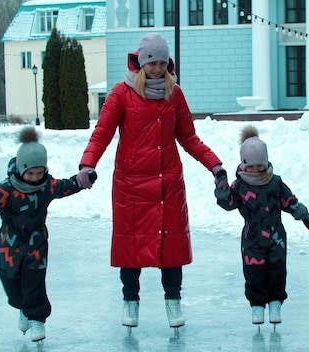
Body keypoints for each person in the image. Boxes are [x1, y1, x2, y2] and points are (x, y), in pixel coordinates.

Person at [76, 32, 225, 330]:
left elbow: (188, 137)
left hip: (167, 183)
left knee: (171, 247)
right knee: (130, 249)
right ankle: (130, 302)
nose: (157, 68)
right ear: (141, 62)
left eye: (161, 62)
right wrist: (87, 164)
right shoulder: (121, 93)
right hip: (131, 185)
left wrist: (216, 165)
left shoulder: (174, 93)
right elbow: (102, 133)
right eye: (152, 63)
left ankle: (173, 302)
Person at [0, 127, 95, 343]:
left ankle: (37, 318)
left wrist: (83, 180)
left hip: (37, 242)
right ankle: (23, 307)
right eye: (30, 173)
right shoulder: (7, 189)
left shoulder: (47, 185)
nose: (35, 178)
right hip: (10, 244)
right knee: (10, 280)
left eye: (39, 173)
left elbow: (67, 186)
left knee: (35, 280)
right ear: (21, 169)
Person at [213, 125, 309, 325]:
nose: (256, 170)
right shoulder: (240, 186)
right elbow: (228, 204)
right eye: (252, 166)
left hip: (276, 238)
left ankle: (275, 303)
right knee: (253, 273)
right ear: (244, 164)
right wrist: (222, 188)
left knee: (277, 271)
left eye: (260, 166)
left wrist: (305, 216)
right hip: (252, 239)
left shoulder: (275, 183)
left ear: (266, 162)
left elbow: (290, 201)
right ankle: (256, 306)